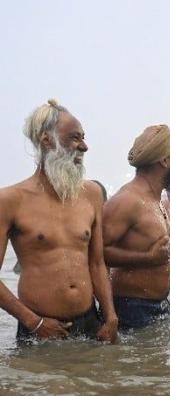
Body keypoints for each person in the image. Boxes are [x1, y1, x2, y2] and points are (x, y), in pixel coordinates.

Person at [0, 99, 117, 342]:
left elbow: (96, 263)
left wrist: (111, 316)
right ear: (46, 139)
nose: (84, 147)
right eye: (74, 138)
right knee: (40, 381)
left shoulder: (92, 194)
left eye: (83, 137)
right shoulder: (10, 200)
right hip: (39, 329)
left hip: (90, 322)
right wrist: (35, 322)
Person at [102, 124, 170, 330]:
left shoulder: (155, 200)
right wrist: (148, 258)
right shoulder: (127, 200)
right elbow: (97, 253)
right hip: (131, 308)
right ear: (165, 161)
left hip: (158, 304)